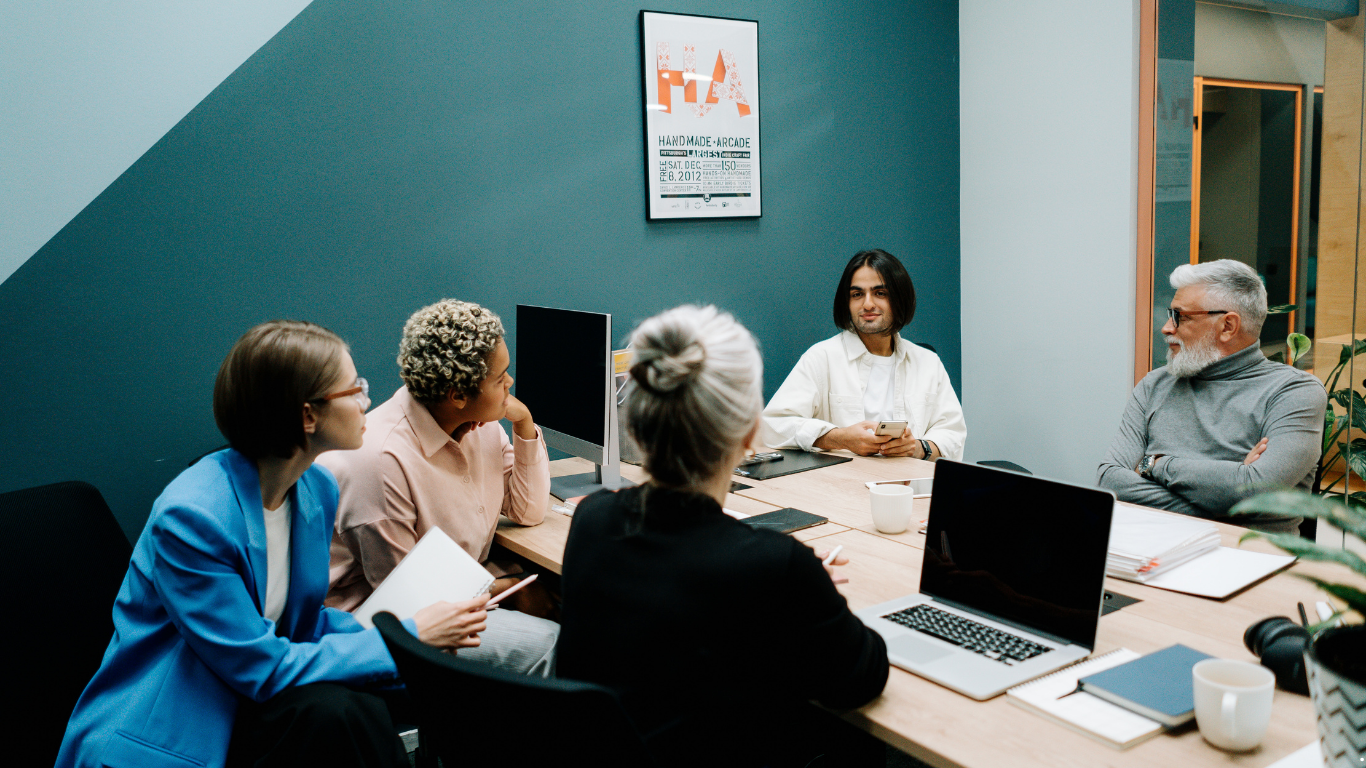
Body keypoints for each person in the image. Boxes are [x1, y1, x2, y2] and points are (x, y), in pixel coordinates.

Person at [57, 321, 488, 768]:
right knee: (342, 713)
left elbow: (301, 624)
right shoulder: (192, 518)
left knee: (409, 696)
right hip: (180, 723)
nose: (366, 400)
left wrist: (408, 637)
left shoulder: (316, 488)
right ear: (307, 416)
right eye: (354, 389)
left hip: (252, 699)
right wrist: (410, 636)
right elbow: (260, 665)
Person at [558, 305, 889, 767]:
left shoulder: (592, 519)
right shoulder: (776, 566)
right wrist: (807, 593)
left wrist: (792, 591)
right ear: (751, 433)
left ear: (634, 424)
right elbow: (860, 679)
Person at [319, 299, 557, 676]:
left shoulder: (480, 425)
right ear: (458, 396)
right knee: (551, 641)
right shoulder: (379, 461)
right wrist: (507, 589)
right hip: (386, 627)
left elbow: (527, 510)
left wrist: (524, 422)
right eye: (500, 377)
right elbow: (410, 601)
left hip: (460, 590)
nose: (510, 383)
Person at [1097, 260, 1327, 533]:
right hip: (1147, 546)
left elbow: (1257, 492)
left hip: (1247, 554)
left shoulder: (1294, 392)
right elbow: (1111, 480)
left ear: (1228, 326)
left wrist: (1154, 465)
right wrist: (1228, 498)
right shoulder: (1155, 384)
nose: (1167, 328)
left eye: (1180, 316)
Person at [762, 249, 966, 460]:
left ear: (900, 298)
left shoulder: (928, 362)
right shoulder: (822, 357)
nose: (868, 304)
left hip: (913, 481)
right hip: (843, 480)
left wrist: (916, 448)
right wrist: (839, 438)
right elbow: (773, 425)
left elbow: (953, 433)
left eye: (880, 293)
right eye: (857, 294)